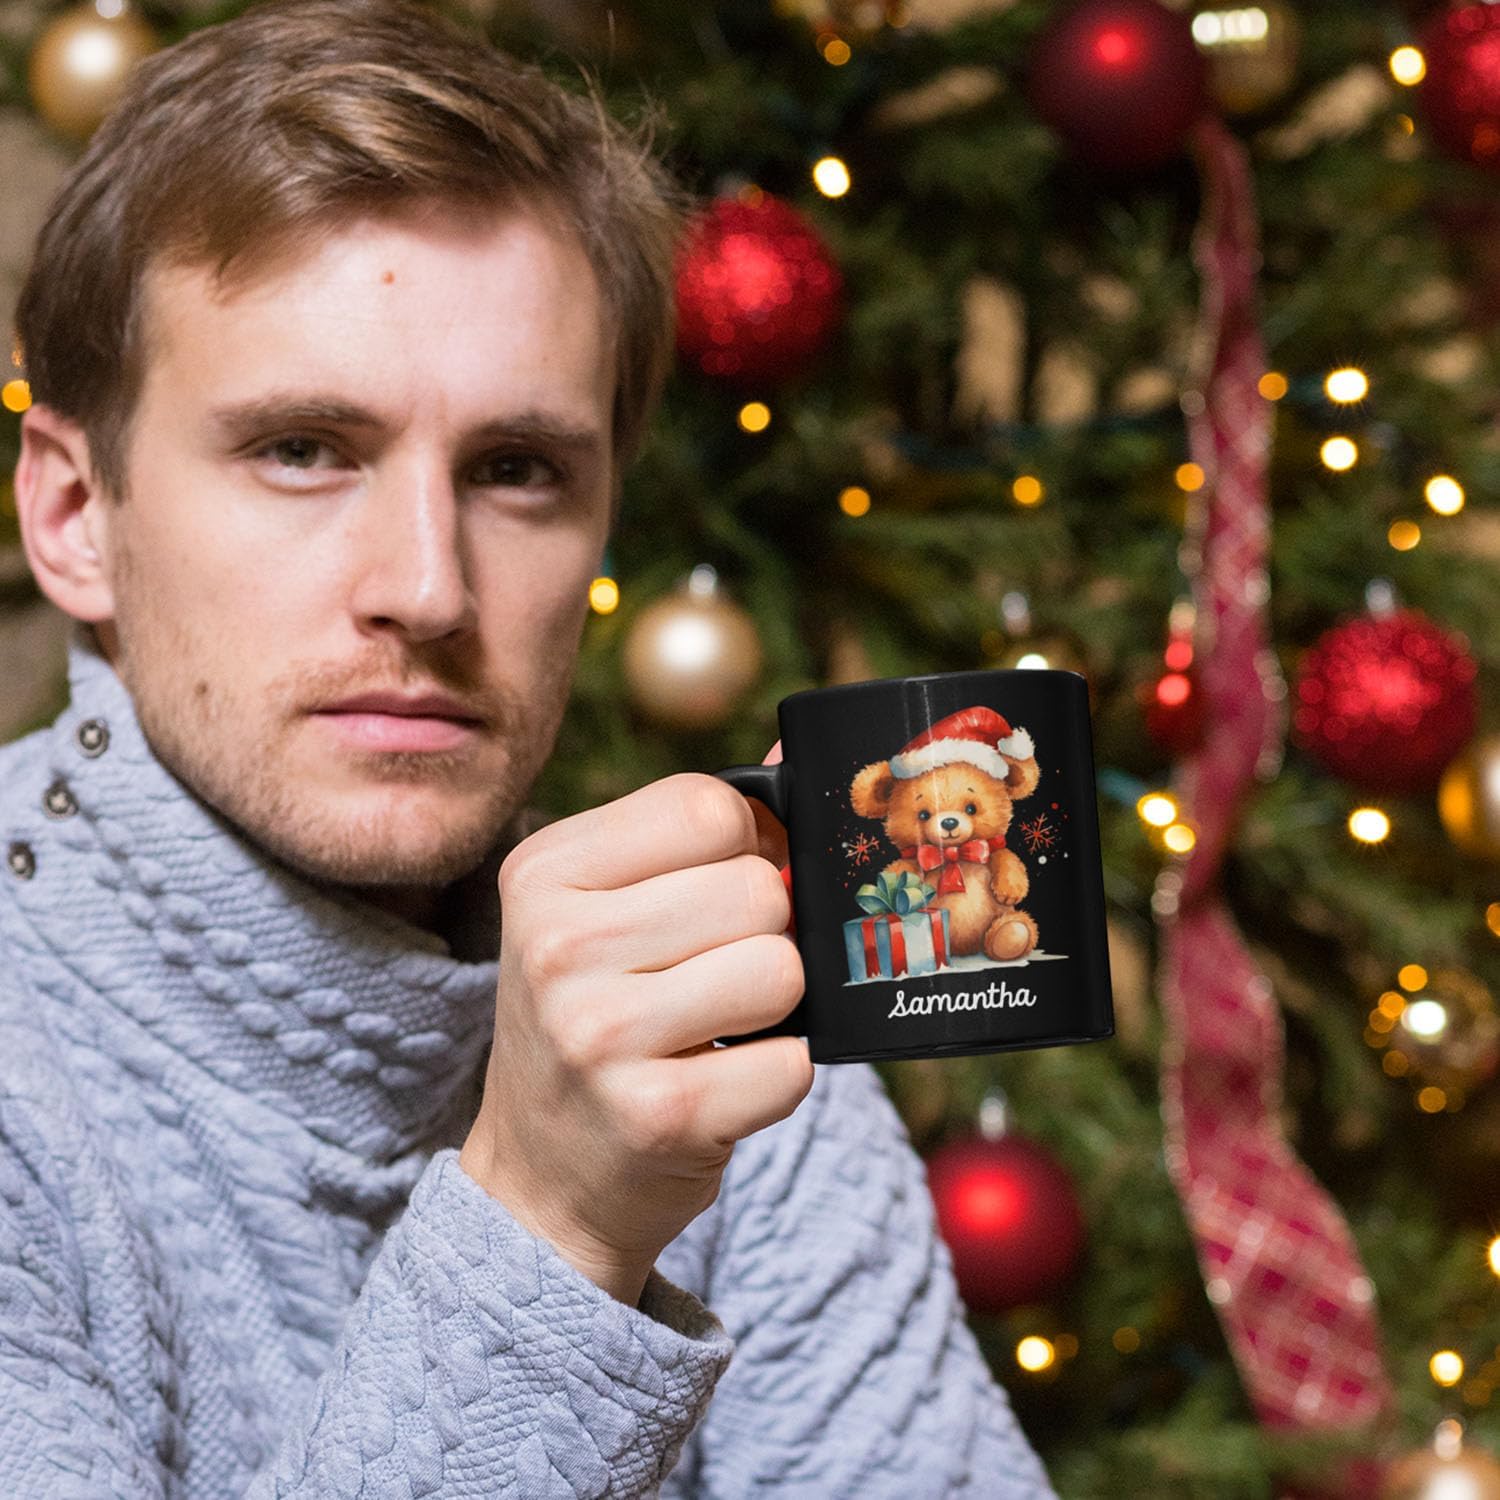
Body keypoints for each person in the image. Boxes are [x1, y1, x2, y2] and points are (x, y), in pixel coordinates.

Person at [0, 1, 1057, 1494]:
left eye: (516, 470)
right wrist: (551, 1225)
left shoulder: (729, 1025)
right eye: (301, 450)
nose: (429, 589)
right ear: (73, 517)